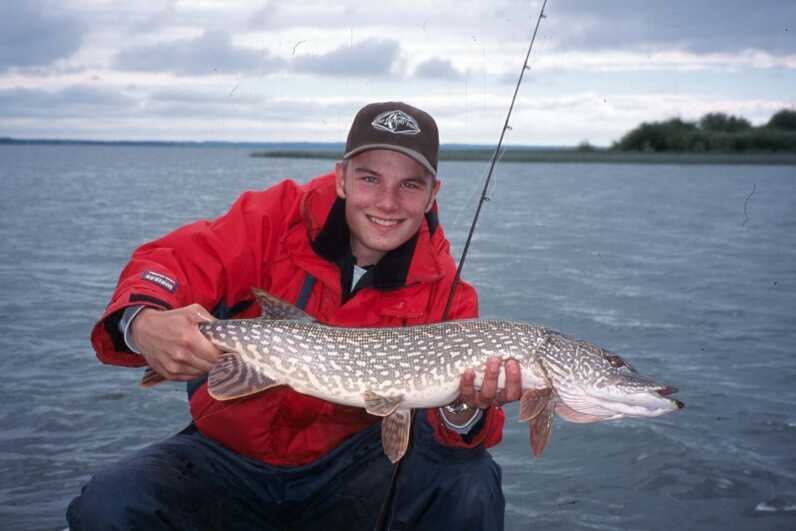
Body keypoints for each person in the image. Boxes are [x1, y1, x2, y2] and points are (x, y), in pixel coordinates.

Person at [67, 101, 523, 530]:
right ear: (342, 178)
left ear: (431, 194)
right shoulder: (273, 218)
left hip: (352, 469)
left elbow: (459, 439)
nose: (387, 202)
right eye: (369, 179)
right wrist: (142, 322)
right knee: (109, 503)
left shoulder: (449, 292)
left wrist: (465, 407)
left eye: (409, 185)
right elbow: (174, 260)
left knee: (471, 483)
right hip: (226, 458)